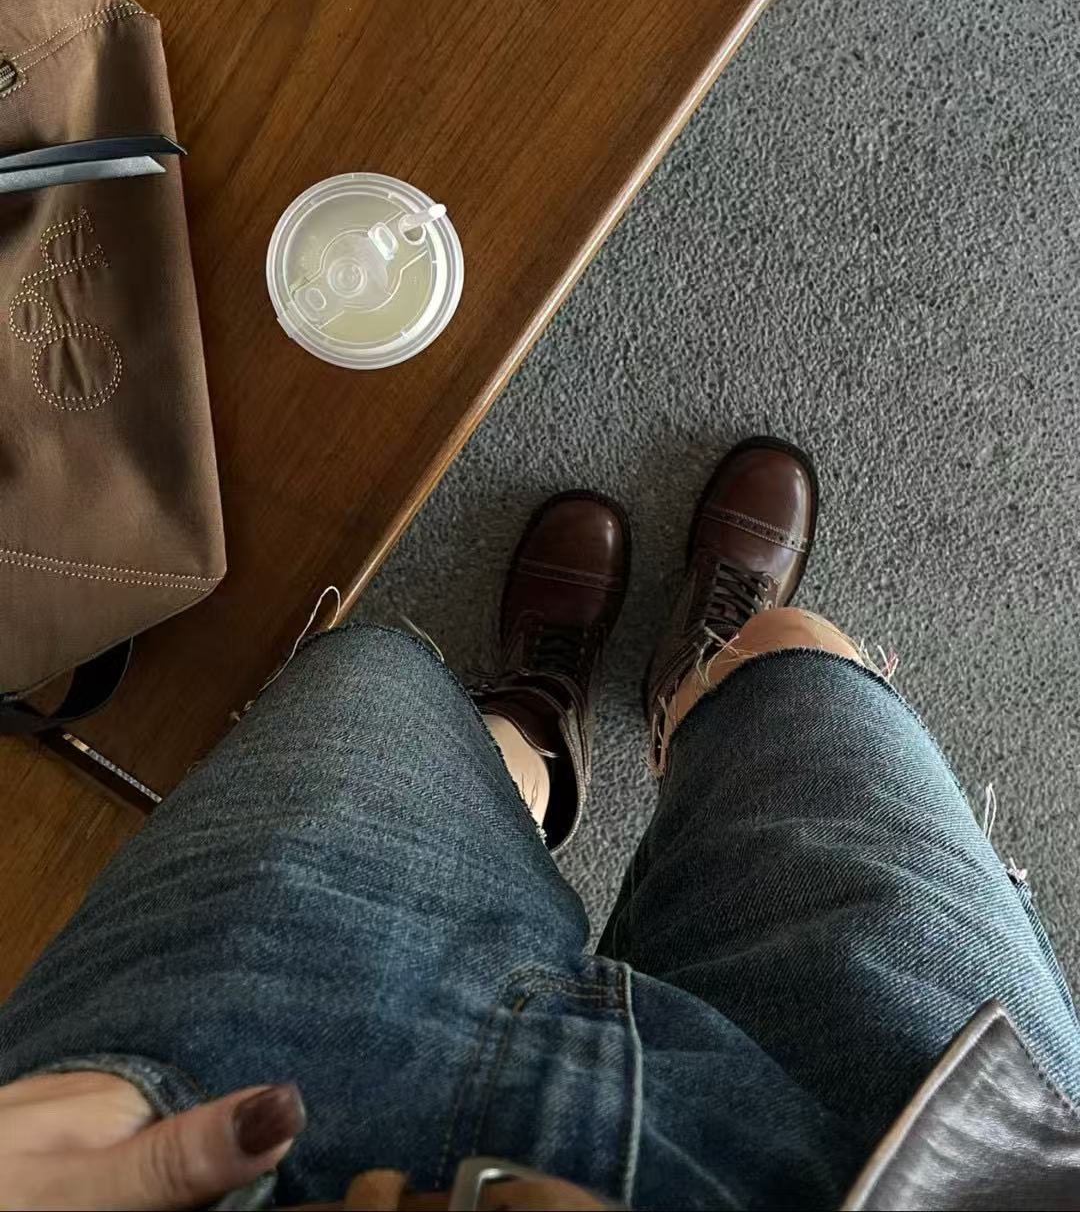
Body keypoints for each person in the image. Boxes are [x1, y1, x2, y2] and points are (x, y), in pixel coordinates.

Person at [1, 438, 1078, 1211]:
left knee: (377, 684)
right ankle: (698, 679)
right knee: (800, 668)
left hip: (251, 1129)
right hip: (927, 1155)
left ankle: (530, 725)